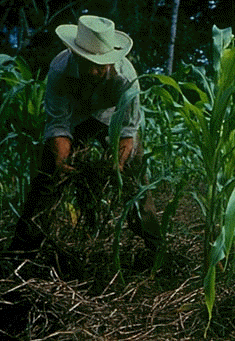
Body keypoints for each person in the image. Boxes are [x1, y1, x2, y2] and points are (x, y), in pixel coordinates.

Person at [9, 15, 161, 254]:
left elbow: (128, 130)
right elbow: (58, 122)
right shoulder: (59, 69)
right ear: (74, 54)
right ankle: (21, 251)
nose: (92, 71)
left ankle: (155, 250)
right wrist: (62, 156)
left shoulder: (127, 78)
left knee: (135, 178)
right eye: (86, 62)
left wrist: (118, 161)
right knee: (48, 175)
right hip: (75, 120)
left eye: (99, 65)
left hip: (113, 120)